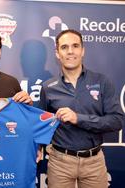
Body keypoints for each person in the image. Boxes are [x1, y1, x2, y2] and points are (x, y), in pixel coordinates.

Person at [39, 29, 124, 188]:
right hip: (60, 162)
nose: (70, 51)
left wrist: (78, 118)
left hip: (94, 162)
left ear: (82, 50)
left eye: (75, 46)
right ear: (57, 53)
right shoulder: (48, 87)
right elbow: (41, 124)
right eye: (64, 47)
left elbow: (117, 121)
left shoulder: (102, 81)